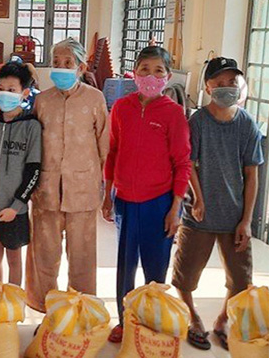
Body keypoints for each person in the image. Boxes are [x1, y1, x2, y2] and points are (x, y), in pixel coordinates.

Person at [102, 46, 191, 342]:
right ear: (134, 72)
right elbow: (113, 152)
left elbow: (182, 162)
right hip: (125, 201)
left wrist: (175, 207)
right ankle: (125, 320)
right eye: (144, 69)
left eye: (158, 71)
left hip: (160, 202)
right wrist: (107, 194)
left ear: (167, 76)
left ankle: (153, 321)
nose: (150, 76)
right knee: (125, 265)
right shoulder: (122, 107)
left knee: (156, 265)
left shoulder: (174, 113)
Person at [172, 58, 261, 351]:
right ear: (208, 87)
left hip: (234, 216)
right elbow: (189, 165)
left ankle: (223, 320)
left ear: (240, 86)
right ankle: (193, 318)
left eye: (232, 83)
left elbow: (251, 173)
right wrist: (197, 198)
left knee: (240, 278)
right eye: (219, 83)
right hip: (199, 216)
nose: (226, 88)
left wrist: (246, 220)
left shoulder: (246, 123)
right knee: (185, 276)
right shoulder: (197, 122)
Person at [26, 38, 109, 312]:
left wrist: (106, 188)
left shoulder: (95, 99)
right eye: (56, 63)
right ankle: (44, 307)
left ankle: (81, 308)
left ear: (81, 67)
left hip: (82, 189)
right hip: (46, 190)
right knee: (44, 254)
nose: (61, 68)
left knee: (82, 255)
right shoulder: (42, 100)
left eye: (68, 63)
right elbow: (33, 143)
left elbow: (104, 145)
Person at [0, 62, 41, 286]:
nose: (4, 94)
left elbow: (34, 171)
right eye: (1, 88)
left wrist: (17, 206)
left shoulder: (31, 127)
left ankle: (13, 299)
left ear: (25, 93)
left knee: (13, 257)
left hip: (14, 209)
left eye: (11, 90)